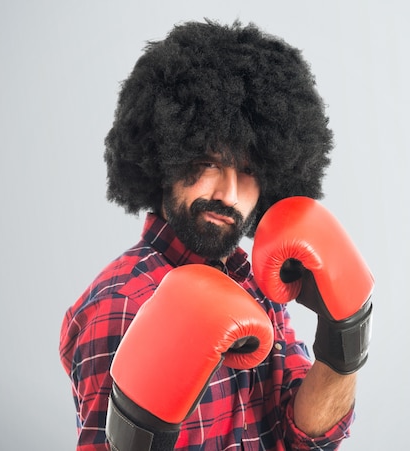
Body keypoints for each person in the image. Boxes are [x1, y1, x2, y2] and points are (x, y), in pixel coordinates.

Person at [59, 19, 374, 451]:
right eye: (208, 162)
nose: (228, 193)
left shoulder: (253, 283)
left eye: (247, 171)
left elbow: (305, 439)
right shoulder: (120, 305)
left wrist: (345, 338)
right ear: (164, 157)